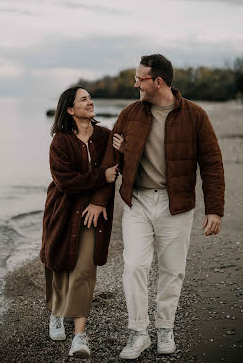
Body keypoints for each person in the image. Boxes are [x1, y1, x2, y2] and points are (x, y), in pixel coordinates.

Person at [84, 54, 225, 359]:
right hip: (137, 203)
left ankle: (165, 329)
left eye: (140, 79)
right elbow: (111, 159)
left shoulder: (195, 115)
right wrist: (98, 200)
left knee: (172, 270)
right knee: (134, 265)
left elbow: (211, 163)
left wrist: (214, 209)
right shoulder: (130, 113)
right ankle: (138, 333)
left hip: (177, 205)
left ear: (157, 81)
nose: (135, 83)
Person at [39, 86, 117, 359]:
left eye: (90, 98)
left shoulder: (106, 136)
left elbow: (117, 169)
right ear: (70, 109)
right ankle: (57, 314)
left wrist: (124, 148)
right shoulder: (60, 141)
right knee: (60, 264)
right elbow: (65, 181)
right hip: (62, 210)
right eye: (84, 99)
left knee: (84, 270)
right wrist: (100, 177)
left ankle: (80, 337)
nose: (90, 102)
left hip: (93, 216)